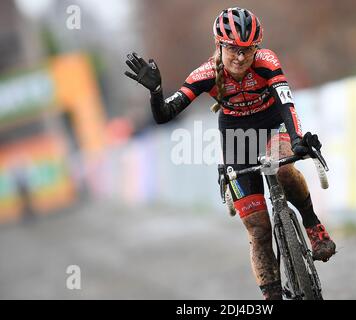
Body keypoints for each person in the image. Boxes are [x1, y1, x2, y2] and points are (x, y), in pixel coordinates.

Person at [125, 7, 336, 300]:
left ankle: (313, 226)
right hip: (237, 135)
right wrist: (156, 92)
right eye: (233, 49)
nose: (240, 57)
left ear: (256, 49)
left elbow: (287, 103)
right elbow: (165, 115)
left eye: (247, 51)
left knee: (285, 168)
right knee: (259, 230)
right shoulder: (206, 74)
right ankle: (272, 295)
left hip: (273, 123)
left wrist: (298, 138)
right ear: (219, 46)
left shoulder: (267, 62)